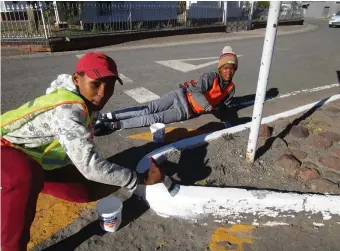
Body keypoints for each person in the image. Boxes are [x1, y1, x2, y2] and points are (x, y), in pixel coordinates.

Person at [0, 52, 164, 251]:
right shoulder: (68, 112)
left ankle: (36, 181)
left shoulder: (82, 99)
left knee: (85, 192)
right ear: (77, 79)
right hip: (6, 148)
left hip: (33, 155)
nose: (103, 92)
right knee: (25, 176)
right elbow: (90, 166)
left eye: (109, 85)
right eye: (96, 84)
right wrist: (139, 178)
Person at [94, 46, 237, 136]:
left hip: (185, 112)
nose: (228, 72)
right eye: (226, 68)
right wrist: (207, 106)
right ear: (220, 68)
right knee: (147, 109)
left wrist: (228, 120)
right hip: (179, 96)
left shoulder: (231, 89)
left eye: (232, 69)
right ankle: (109, 116)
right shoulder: (211, 77)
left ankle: (114, 125)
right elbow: (196, 91)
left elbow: (225, 106)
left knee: (152, 119)